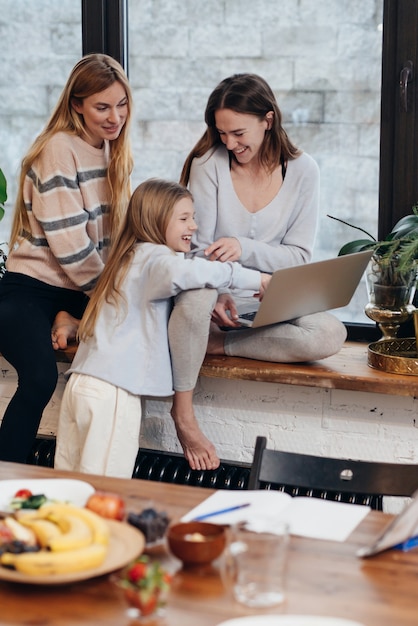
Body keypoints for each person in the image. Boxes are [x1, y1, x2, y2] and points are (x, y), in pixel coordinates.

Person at [168, 73, 347, 471]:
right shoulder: (208, 164)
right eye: (221, 133)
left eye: (238, 132)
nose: (230, 143)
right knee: (196, 297)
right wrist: (220, 292)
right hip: (212, 293)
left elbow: (299, 257)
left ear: (268, 120)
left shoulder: (303, 171)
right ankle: (183, 413)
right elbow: (198, 250)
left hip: (268, 295)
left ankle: (215, 345)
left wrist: (245, 249)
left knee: (331, 333)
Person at [54, 178, 270, 478]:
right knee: (102, 495)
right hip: (113, 393)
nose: (193, 226)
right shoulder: (156, 259)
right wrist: (257, 280)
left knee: (68, 490)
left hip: (81, 385)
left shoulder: (125, 260)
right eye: (183, 219)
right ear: (154, 220)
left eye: (192, 217)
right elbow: (193, 272)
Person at [0, 53, 134, 463]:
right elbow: (71, 247)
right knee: (40, 379)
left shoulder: (114, 154)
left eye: (122, 104)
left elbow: (116, 242)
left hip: (75, 292)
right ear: (76, 105)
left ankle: (69, 317)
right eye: (102, 107)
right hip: (30, 291)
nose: (116, 117)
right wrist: (110, 300)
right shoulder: (59, 149)